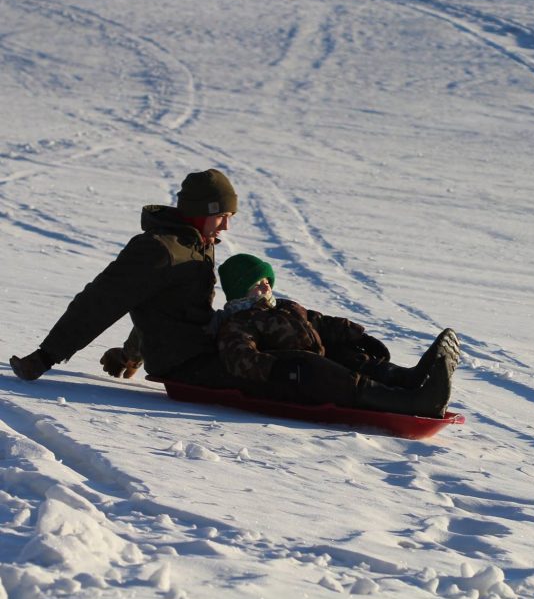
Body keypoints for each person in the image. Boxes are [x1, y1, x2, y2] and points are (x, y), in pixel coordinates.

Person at [9, 169, 239, 386]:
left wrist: (129, 355)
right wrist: (45, 357)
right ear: (197, 213)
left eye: (229, 216)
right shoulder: (158, 249)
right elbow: (101, 301)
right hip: (186, 364)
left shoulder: (198, 245)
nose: (226, 226)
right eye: (220, 216)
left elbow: (166, 307)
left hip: (204, 350)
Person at [215, 253, 459, 418]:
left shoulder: (283, 306)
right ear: (240, 290)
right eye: (258, 283)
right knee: (324, 370)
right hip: (293, 376)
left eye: (267, 280)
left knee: (345, 353)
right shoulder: (239, 321)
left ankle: (407, 378)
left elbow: (318, 321)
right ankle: (413, 403)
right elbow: (239, 357)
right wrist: (277, 368)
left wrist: (357, 336)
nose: (266, 287)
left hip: (313, 361)